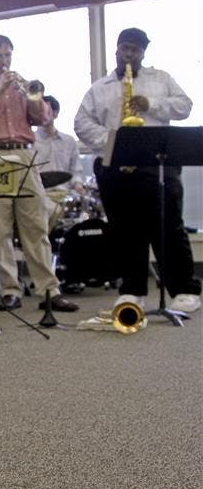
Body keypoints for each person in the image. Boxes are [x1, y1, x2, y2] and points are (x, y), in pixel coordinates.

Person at [74, 27, 201, 314]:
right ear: (117, 49)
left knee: (168, 227)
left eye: (136, 50)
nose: (129, 54)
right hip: (117, 167)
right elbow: (81, 122)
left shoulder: (161, 79)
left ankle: (183, 289)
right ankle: (132, 290)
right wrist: (112, 142)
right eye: (125, 48)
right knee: (125, 232)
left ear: (144, 52)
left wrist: (151, 104)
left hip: (157, 166)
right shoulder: (100, 87)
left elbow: (185, 107)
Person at [0, 34, 78, 312]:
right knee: (0, 228)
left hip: (26, 154)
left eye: (7, 55)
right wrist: (0, 90)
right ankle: (10, 290)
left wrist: (33, 97)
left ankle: (48, 290)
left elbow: (43, 118)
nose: (4, 61)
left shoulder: (23, 88)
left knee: (35, 225)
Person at [33, 95, 86, 230]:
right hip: (41, 194)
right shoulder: (30, 142)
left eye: (47, 112)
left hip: (65, 194)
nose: (43, 116)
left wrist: (78, 184)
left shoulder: (69, 141)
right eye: (40, 112)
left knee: (86, 209)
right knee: (50, 209)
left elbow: (75, 170)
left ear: (56, 114)